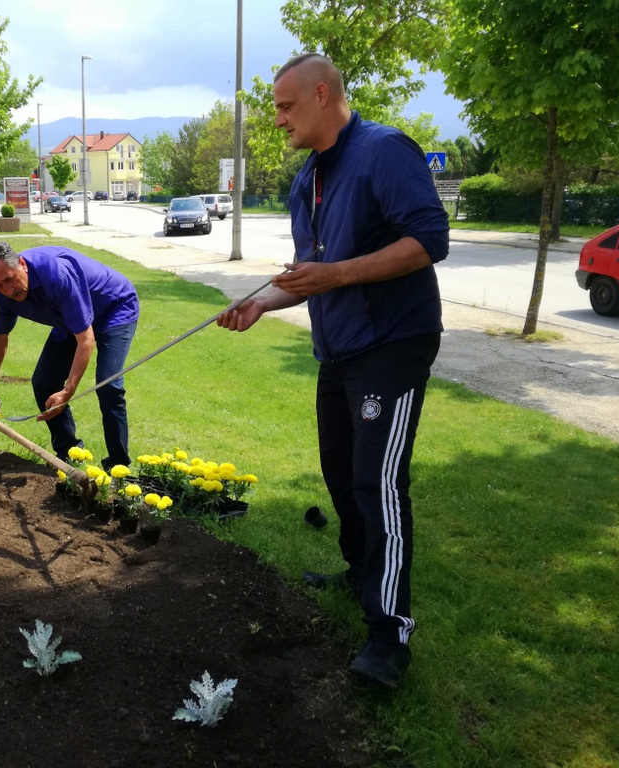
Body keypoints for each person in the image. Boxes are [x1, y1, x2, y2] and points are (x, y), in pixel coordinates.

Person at [216, 53, 449, 690]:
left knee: (378, 483)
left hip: (392, 345)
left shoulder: (384, 151)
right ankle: (358, 570)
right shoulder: (306, 181)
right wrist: (261, 302)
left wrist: (337, 274)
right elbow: (308, 276)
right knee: (341, 473)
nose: (279, 120)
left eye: (287, 107)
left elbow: (431, 240)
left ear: (323, 95)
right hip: (339, 351)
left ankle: (389, 635)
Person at [0, 242, 139, 471]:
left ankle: (119, 466)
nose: (8, 290)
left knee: (108, 384)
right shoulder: (2, 296)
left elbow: (86, 339)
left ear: (22, 263)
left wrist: (67, 392)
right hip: (68, 318)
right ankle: (70, 456)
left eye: (10, 279)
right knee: (44, 382)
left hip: (114, 309)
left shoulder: (57, 274)